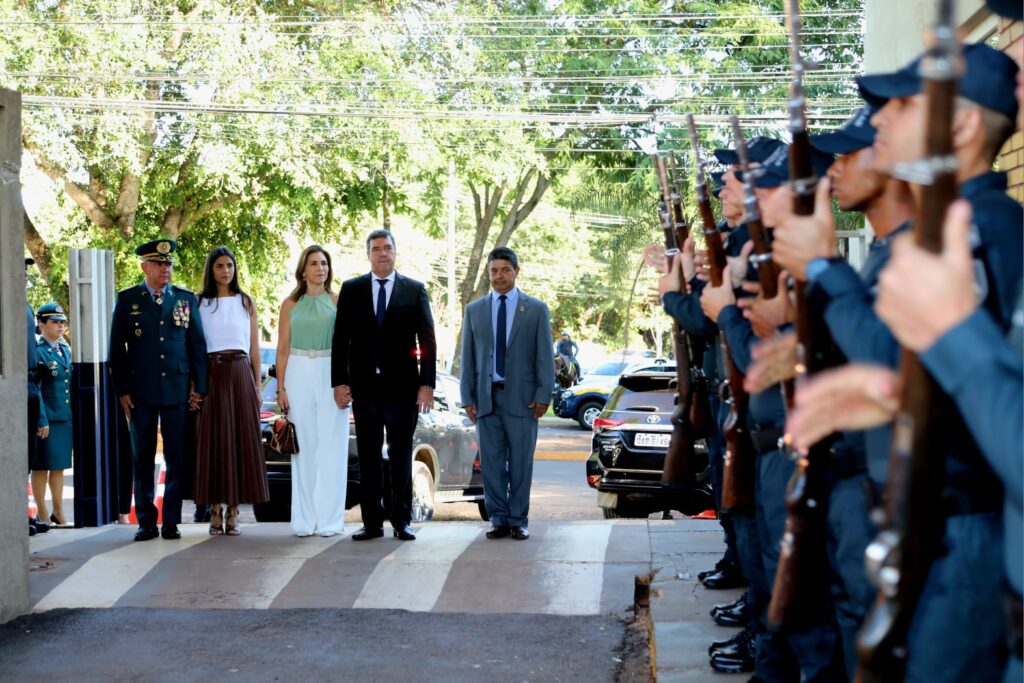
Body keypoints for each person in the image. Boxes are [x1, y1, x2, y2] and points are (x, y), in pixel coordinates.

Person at [332, 230, 436, 542]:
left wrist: (426, 384)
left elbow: (427, 341)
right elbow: (341, 340)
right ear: (368, 254)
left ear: (395, 251)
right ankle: (372, 523)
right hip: (365, 391)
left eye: (387, 247)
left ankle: (401, 520)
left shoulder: (414, 290)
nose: (382, 253)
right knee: (368, 457)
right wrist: (339, 381)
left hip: (403, 391)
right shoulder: (352, 289)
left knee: (402, 457)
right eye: (376, 248)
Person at [109, 238, 208, 542]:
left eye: (168, 264)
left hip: (176, 389)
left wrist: (199, 387)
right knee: (143, 457)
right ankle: (147, 522)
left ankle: (172, 521)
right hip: (141, 391)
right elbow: (117, 350)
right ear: (145, 267)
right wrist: (123, 390)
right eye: (159, 264)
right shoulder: (128, 300)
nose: (166, 269)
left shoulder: (184, 299)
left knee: (176, 458)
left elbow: (197, 346)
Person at [460, 247, 554, 541]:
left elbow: (544, 356)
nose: (498, 276)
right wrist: (468, 397)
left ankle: (518, 519)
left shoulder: (535, 309)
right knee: (491, 463)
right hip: (487, 400)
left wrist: (543, 394)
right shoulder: (474, 310)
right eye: (493, 271)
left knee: (521, 463)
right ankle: (498, 519)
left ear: (516, 271)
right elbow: (469, 359)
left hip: (524, 400)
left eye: (504, 270)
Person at [193, 246, 269, 536]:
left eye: (230, 266)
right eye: (220, 266)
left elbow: (254, 349)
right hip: (211, 374)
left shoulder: (245, 302)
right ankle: (214, 509)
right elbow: (196, 348)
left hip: (239, 373)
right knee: (213, 443)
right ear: (211, 270)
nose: (226, 271)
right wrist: (195, 385)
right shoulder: (199, 302)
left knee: (238, 443)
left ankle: (234, 511)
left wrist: (257, 386)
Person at [276, 245, 349, 538]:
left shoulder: (337, 301)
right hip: (298, 370)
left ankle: (330, 521)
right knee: (303, 448)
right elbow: (281, 349)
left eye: (324, 263)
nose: (321, 268)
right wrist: (280, 387)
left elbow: (348, 346)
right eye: (315, 263)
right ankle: (304, 521)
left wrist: (346, 382)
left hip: (330, 369)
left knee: (333, 447)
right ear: (303, 270)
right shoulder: (290, 304)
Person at [32, 303, 73, 528]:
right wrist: (41, 418)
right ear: (41, 324)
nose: (60, 326)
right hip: (47, 418)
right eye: (55, 322)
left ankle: (59, 512)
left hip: (63, 417)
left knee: (58, 466)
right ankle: (43, 513)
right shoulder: (38, 351)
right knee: (41, 466)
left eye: (62, 322)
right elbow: (36, 388)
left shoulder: (64, 349)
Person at [25, 258, 45, 536]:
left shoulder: (25, 304)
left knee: (26, 458)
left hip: (28, 385)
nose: (25, 272)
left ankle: (23, 513)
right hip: (14, 383)